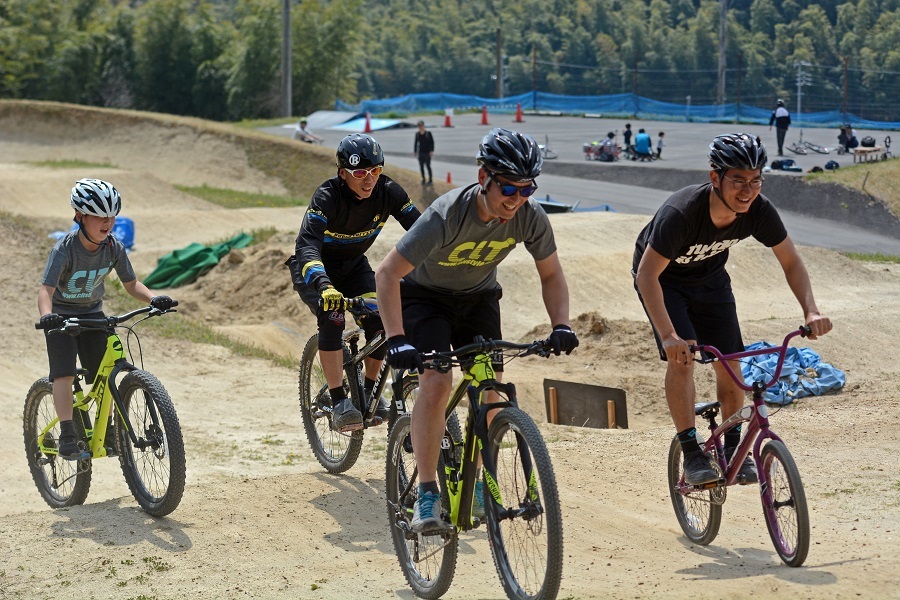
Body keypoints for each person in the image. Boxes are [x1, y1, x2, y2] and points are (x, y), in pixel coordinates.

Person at [375, 127, 579, 533]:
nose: (516, 199)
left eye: (526, 189)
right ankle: (428, 491)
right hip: (425, 298)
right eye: (508, 188)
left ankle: (484, 480)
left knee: (492, 388)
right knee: (436, 382)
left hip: (478, 299)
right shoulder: (446, 215)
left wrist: (561, 324)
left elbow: (552, 273)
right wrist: (396, 339)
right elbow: (387, 274)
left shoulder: (529, 216)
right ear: (483, 176)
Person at [632, 133, 832, 486]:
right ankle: (692, 454)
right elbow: (647, 276)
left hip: (710, 280)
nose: (747, 190)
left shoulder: (758, 210)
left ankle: (732, 449)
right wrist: (668, 336)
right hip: (664, 280)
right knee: (683, 359)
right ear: (715, 178)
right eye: (738, 180)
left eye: (755, 180)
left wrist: (811, 311)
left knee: (731, 362)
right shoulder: (681, 213)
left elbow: (791, 262)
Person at [286, 133, 420, 432]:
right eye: (360, 172)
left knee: (379, 322)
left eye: (375, 171)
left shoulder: (390, 192)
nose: (369, 179)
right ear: (342, 173)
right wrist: (323, 284)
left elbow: (421, 232)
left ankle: (370, 393)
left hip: (354, 266)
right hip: (314, 267)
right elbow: (307, 246)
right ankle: (338, 402)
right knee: (333, 318)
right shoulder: (327, 197)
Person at [38, 178, 175, 460]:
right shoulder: (64, 249)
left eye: (111, 216)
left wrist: (152, 299)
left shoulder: (114, 247)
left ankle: (111, 430)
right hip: (62, 317)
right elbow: (45, 290)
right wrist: (48, 316)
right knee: (63, 373)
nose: (107, 222)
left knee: (105, 373)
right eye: (100, 216)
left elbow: (131, 284)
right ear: (80, 216)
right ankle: (67, 430)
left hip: (92, 315)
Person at [413, 120, 435, 185]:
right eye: (419, 126)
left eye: (421, 126)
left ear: (423, 126)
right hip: (421, 152)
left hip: (427, 152)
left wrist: (431, 151)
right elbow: (416, 143)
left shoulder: (428, 133)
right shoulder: (417, 134)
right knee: (421, 166)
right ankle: (423, 179)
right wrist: (415, 151)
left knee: (428, 166)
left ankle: (430, 180)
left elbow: (432, 142)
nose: (420, 127)